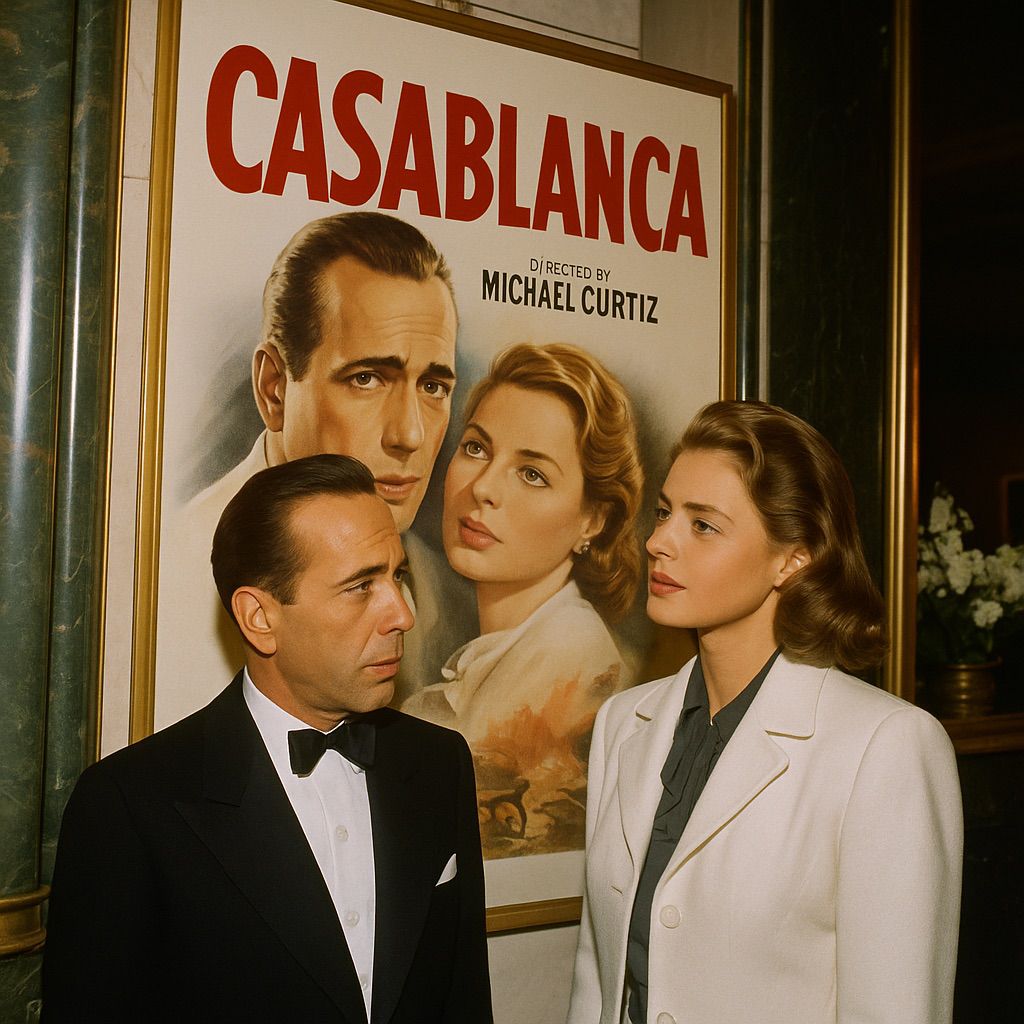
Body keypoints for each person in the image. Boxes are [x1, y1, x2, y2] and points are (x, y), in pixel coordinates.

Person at [43, 455, 492, 1024]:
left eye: (397, 575)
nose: (402, 613)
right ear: (258, 617)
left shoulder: (439, 762)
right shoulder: (129, 804)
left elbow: (463, 997)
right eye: (361, 586)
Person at [567, 401, 963, 1024]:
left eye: (704, 525)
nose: (658, 542)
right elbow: (598, 982)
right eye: (665, 512)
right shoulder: (623, 722)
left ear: (792, 558)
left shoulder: (886, 747)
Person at [169, 211, 473, 724]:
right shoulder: (174, 569)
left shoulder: (449, 596)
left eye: (433, 386)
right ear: (274, 389)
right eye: (367, 379)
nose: (410, 435)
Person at [403, 343, 644, 859]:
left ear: (593, 520)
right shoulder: (496, 659)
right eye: (476, 448)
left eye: (532, 473)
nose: (483, 487)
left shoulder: (570, 675)